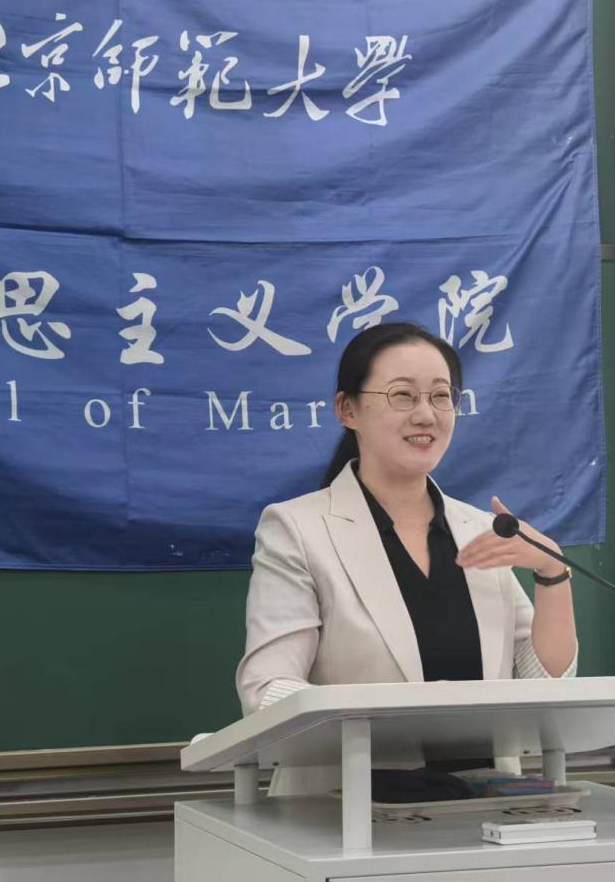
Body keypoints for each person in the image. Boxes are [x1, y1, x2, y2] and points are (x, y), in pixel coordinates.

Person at [236, 321, 578, 794]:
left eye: (441, 396)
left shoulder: (482, 529)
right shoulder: (297, 528)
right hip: (344, 809)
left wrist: (552, 569)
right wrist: (376, 725)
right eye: (402, 396)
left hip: (482, 808)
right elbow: (268, 687)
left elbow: (545, 684)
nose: (425, 414)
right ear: (348, 409)